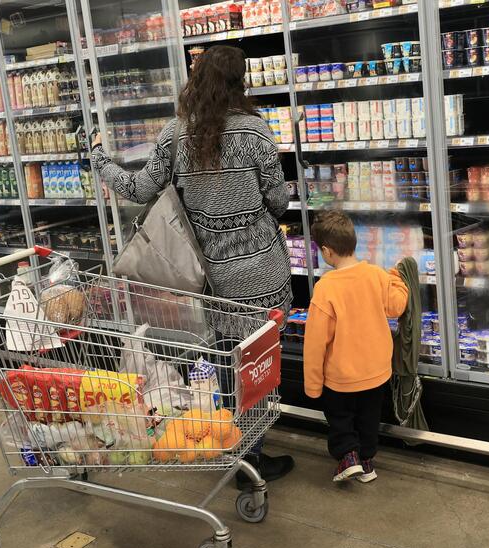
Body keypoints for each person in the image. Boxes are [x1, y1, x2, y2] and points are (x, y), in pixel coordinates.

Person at [90, 45, 295, 483]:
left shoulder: (175, 134)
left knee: (225, 361)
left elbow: (140, 189)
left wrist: (100, 162)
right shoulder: (257, 133)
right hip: (263, 272)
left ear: (195, 79)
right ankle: (252, 456)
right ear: (241, 83)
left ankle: (230, 444)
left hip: (212, 277)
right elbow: (278, 201)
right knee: (258, 364)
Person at [303, 211, 409, 482]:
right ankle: (368, 463)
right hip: (376, 372)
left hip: (341, 376)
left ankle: (348, 456)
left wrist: (313, 386)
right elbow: (397, 306)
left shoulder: (326, 289)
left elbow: (316, 343)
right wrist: (397, 278)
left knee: (341, 419)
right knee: (369, 420)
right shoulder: (376, 274)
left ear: (326, 252)